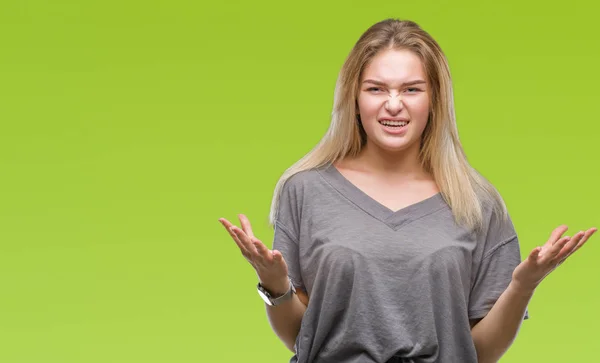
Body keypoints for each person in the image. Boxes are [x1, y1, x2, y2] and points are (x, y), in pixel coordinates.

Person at [218, 18, 596, 363]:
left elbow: (481, 352)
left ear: (434, 100)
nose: (393, 105)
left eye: (411, 89)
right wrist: (275, 283)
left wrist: (522, 286)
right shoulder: (304, 191)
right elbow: (301, 337)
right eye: (376, 88)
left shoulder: (477, 204)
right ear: (354, 97)